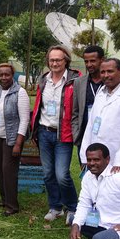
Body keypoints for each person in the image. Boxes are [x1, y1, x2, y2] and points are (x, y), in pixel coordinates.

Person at [31, 45, 80, 224]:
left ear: (65, 60)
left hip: (63, 134)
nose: (55, 63)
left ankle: (73, 208)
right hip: (44, 132)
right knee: (48, 173)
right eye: (52, 60)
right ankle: (56, 207)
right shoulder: (44, 79)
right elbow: (39, 105)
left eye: (58, 59)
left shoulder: (75, 80)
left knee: (62, 174)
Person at [80, 58, 120, 175]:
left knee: (118, 190)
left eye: (110, 71)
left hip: (118, 156)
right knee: (97, 189)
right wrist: (85, 155)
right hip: (97, 155)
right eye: (102, 72)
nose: (106, 75)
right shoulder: (101, 92)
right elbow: (91, 125)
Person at [0, 63, 30, 216]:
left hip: (11, 138)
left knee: (9, 171)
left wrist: (18, 143)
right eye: (1, 74)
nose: (4, 77)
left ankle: (12, 206)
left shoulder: (20, 93)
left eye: (7, 74)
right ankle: (4, 199)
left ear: (12, 75)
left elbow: (24, 120)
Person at [72, 46, 104, 163]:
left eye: (93, 61)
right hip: (85, 137)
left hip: (105, 136)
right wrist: (77, 135)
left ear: (102, 60)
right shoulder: (79, 82)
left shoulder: (109, 82)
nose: (89, 64)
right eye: (86, 61)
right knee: (87, 173)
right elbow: (75, 111)